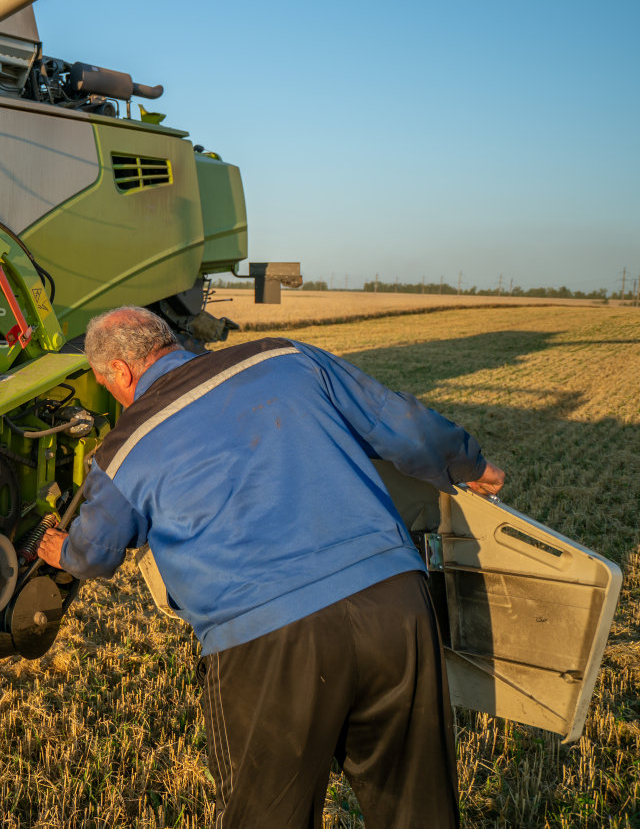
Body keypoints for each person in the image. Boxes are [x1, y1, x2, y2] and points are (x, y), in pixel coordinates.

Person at [37, 306, 505, 829]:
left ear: (121, 373)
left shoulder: (125, 448)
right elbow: (400, 425)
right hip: (394, 604)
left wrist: (62, 551)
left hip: (267, 641)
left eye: (108, 385)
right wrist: (470, 462)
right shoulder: (284, 356)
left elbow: (96, 551)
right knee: (418, 812)